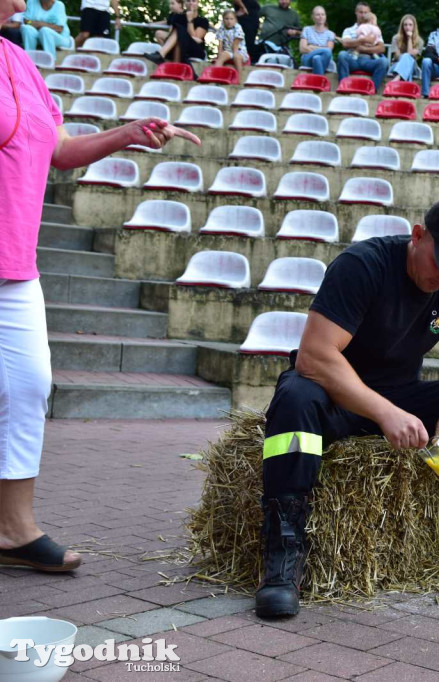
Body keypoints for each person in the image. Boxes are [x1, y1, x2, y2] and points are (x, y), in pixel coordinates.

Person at [254, 198, 439, 619]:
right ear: (417, 235)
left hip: (401, 396)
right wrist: (383, 412)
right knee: (296, 395)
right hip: (337, 396)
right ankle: (283, 557)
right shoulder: (364, 265)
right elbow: (314, 356)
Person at [0, 18, 200, 574]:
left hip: (13, 262)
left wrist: (127, 133)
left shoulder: (19, 61)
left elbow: (60, 148)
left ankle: (13, 531)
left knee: (28, 385)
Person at [336, 0, 387, 92]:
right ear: (356, 13)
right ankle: (343, 86)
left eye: (365, 12)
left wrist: (362, 48)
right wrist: (362, 40)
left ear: (370, 14)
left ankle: (372, 90)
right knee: (342, 55)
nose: (363, 15)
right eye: (360, 12)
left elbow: (381, 48)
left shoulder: (374, 30)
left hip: (369, 61)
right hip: (353, 59)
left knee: (384, 61)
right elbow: (345, 43)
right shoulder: (349, 30)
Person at [144, 0, 208, 64]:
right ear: (185, 3)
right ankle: (164, 54)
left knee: (178, 31)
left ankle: (161, 55)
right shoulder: (178, 17)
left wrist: (190, 20)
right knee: (160, 33)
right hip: (179, 46)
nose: (191, 3)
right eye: (188, 1)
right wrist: (151, 24)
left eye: (193, 1)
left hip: (195, 50)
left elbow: (196, 39)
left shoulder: (203, 21)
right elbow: (167, 22)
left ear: (197, 3)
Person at [298, 5, 335, 76]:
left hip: (324, 59)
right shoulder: (307, 29)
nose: (321, 16)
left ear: (325, 16)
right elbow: (302, 49)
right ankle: (321, 82)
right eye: (318, 15)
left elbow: (329, 51)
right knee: (323, 53)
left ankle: (318, 82)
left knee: (317, 58)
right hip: (307, 58)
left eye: (322, 14)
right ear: (313, 17)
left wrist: (312, 47)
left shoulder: (330, 34)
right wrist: (322, 48)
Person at [387, 13, 422, 83]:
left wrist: (409, 39)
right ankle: (402, 81)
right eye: (405, 25)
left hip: (413, 67)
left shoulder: (419, 41)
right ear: (402, 26)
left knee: (408, 59)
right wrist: (405, 57)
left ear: (414, 26)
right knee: (406, 60)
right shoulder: (395, 38)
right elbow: (397, 57)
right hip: (396, 65)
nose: (407, 27)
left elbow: (411, 55)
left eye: (410, 25)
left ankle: (397, 79)